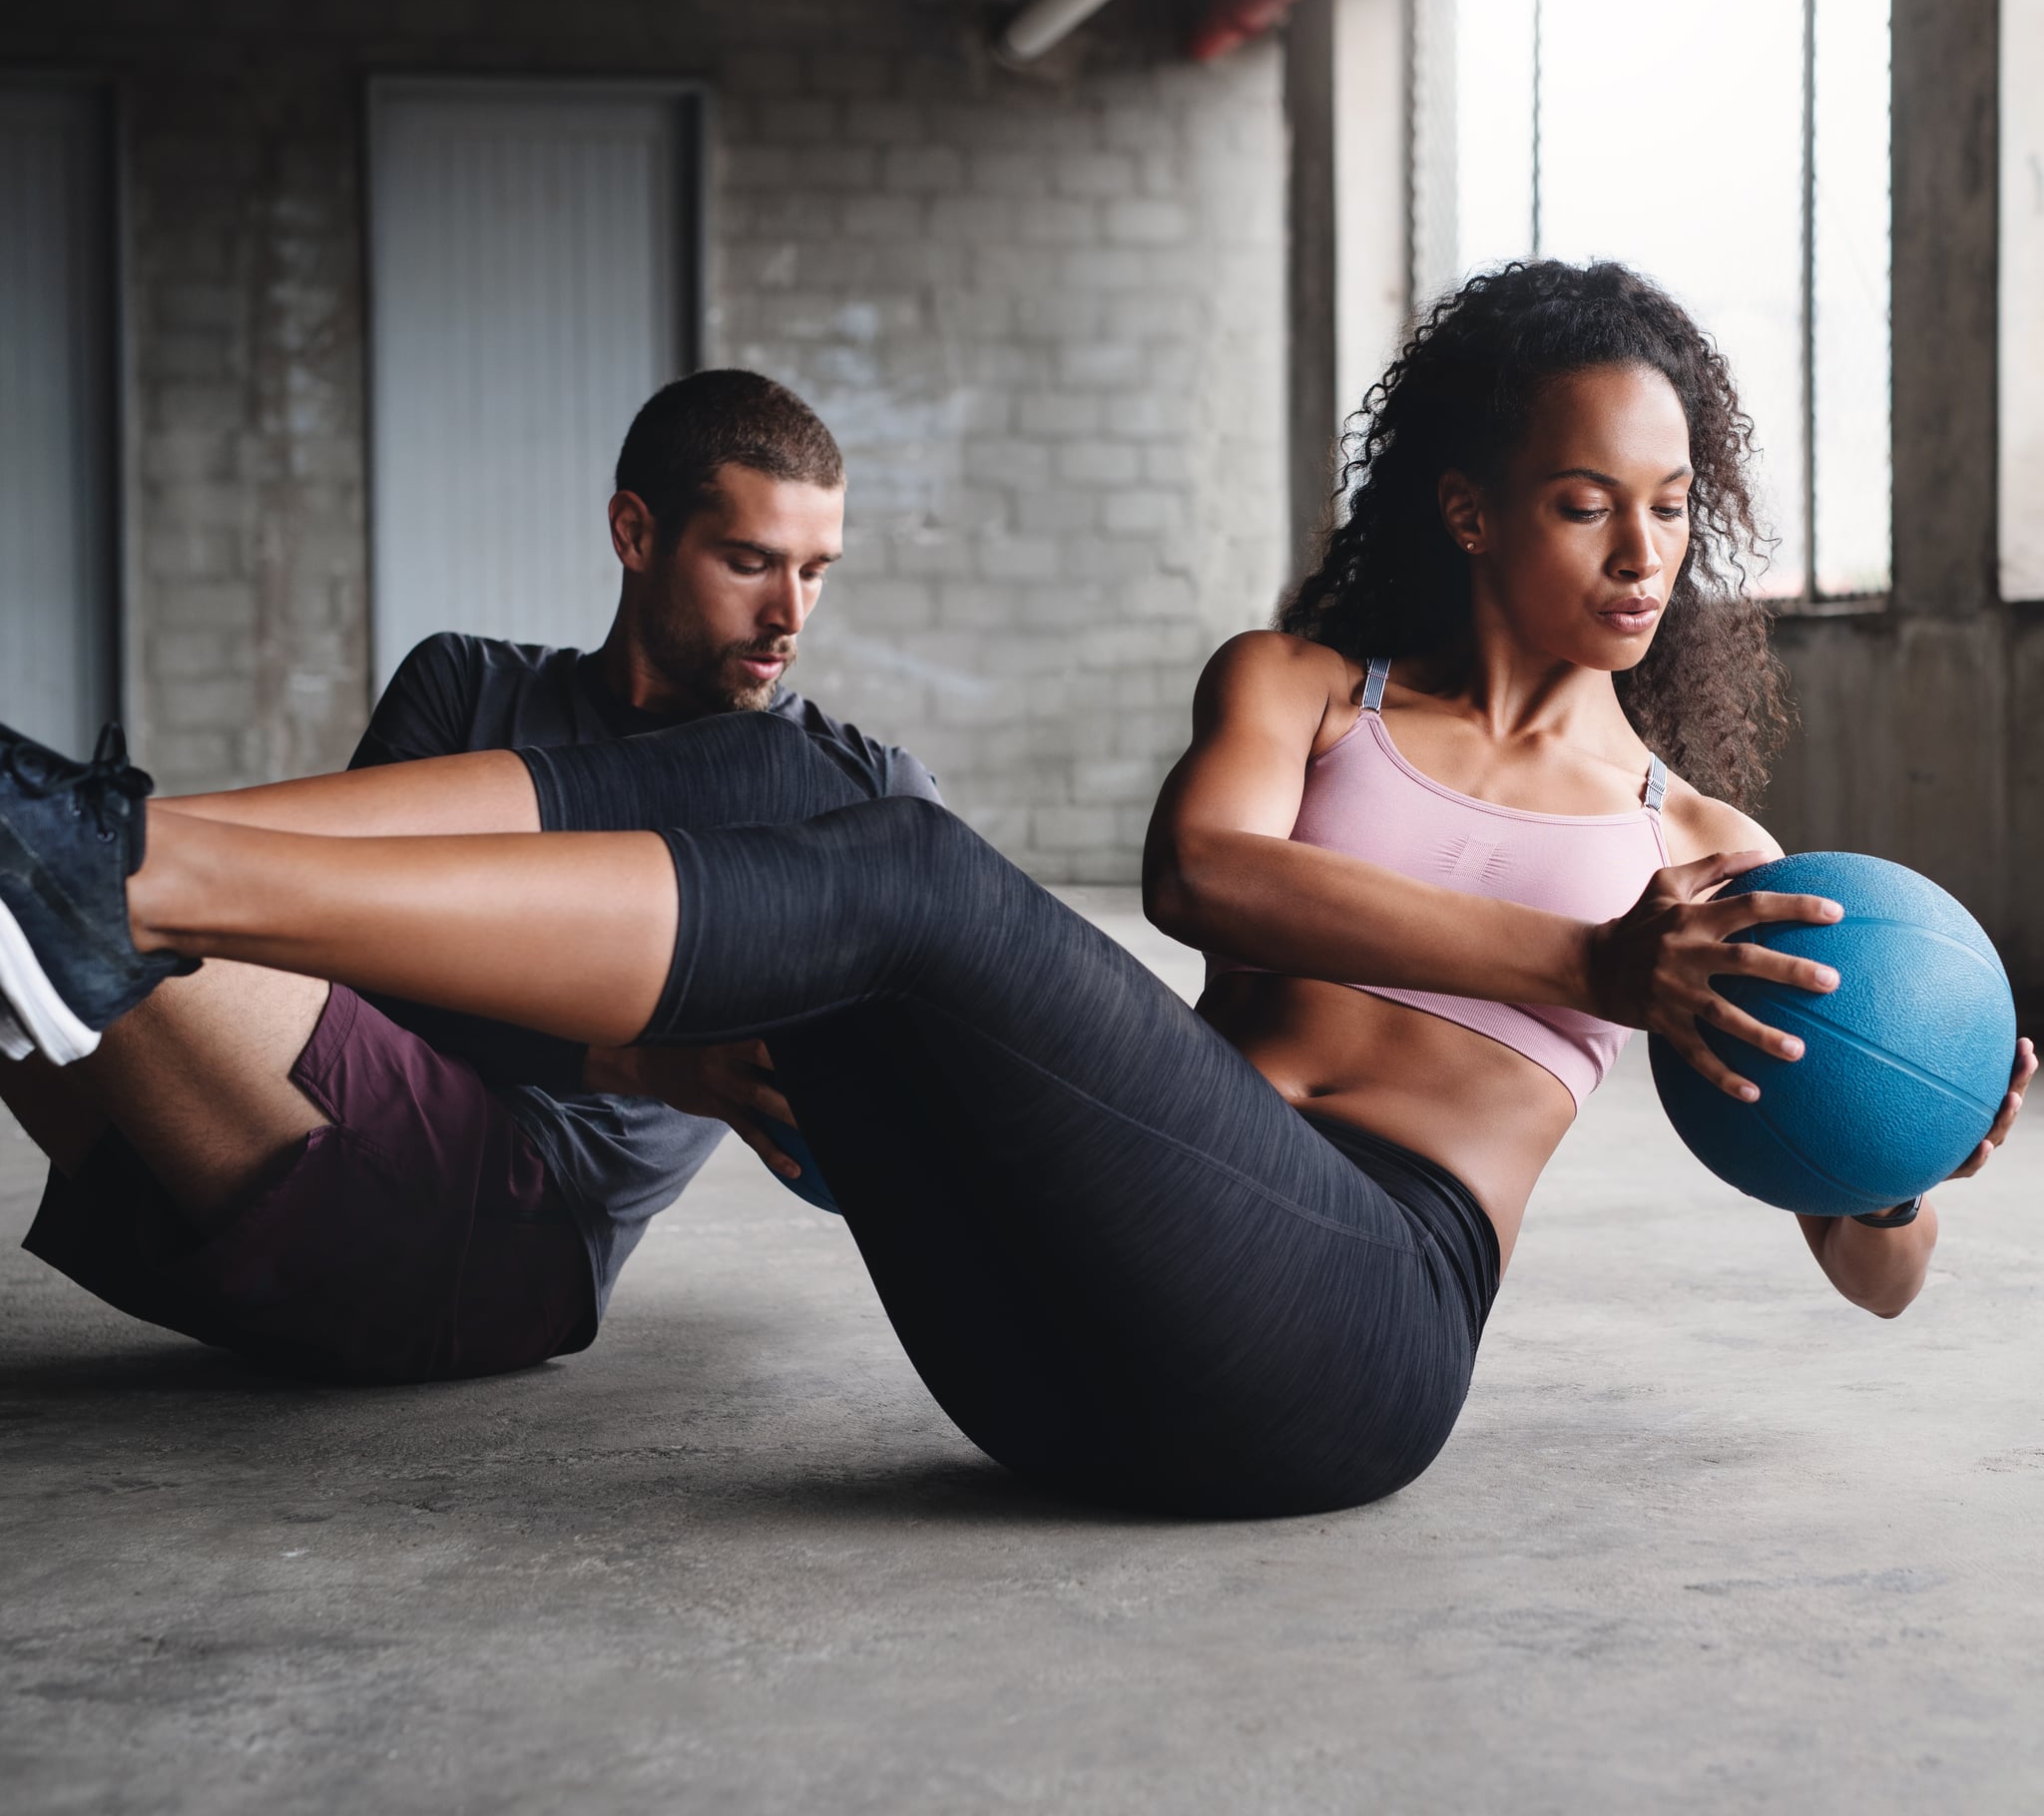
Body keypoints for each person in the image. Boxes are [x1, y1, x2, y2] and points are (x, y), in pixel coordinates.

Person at [1, 262, 2028, 1516]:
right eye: (1590, 496)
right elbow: (1201, 873)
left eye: (1674, 505)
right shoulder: (1301, 690)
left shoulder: (1699, 857)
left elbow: (1865, 1277)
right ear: (1474, 504)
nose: (1641, 544)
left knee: (892, 869)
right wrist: (1578, 957)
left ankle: (129, 877)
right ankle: (120, 855)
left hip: (1342, 1350)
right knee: (773, 766)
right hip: (1050, 1364)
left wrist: (1893, 1175)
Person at [1, 369, 935, 1384]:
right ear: (634, 531)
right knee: (74, 889)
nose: (788, 613)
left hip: (508, 1236)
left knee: (70, 880)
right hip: (217, 1173)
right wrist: (628, 1055)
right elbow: (336, 966)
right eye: (750, 561)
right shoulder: (463, 684)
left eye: (816, 570)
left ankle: (66, 834)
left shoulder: (849, 786)